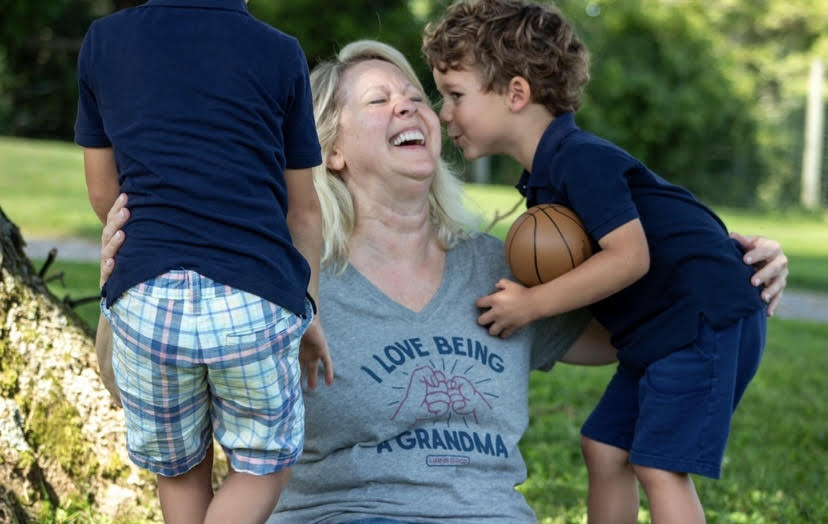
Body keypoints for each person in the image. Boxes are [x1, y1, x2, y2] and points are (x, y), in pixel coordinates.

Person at [98, 40, 788, 523]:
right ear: (330, 148)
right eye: (379, 100)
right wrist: (119, 285)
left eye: (418, 97)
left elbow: (633, 334)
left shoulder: (505, 265)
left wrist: (726, 278)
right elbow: (138, 382)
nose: (410, 107)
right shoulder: (283, 270)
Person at [423, 0, 775, 522]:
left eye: (454, 95)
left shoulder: (579, 160)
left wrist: (532, 305)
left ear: (516, 93)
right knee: (604, 447)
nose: (443, 112)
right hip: (664, 329)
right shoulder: (547, 177)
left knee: (657, 466)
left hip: (703, 317)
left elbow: (629, 258)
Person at [73, 1, 331, 522]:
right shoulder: (280, 53)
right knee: (263, 463)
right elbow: (303, 213)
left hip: (147, 298)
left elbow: (106, 196)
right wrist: (310, 310)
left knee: (178, 468)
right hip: (253, 297)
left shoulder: (104, 41)